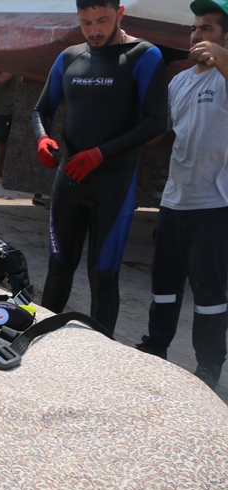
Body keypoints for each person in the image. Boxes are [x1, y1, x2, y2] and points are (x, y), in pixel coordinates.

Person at [31, 0, 168, 335]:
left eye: (102, 21)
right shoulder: (69, 57)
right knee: (59, 266)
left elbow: (155, 123)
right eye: (86, 22)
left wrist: (100, 154)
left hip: (114, 184)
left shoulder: (144, 55)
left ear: (119, 14)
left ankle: (102, 354)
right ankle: (40, 340)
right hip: (69, 181)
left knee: (103, 273)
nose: (93, 30)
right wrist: (42, 139)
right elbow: (41, 110)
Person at [136, 0, 228, 389]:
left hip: (214, 202)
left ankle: (208, 365)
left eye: (206, 28)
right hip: (175, 199)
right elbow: (159, 132)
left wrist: (224, 58)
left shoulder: (223, 78)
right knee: (164, 284)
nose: (196, 35)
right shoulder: (180, 80)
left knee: (209, 291)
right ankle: (156, 347)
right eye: (193, 28)